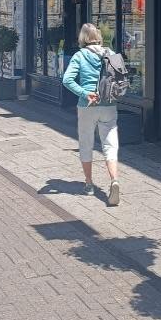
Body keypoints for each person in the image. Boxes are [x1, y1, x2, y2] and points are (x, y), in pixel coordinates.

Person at [61, 23, 122, 206]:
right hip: (109, 103)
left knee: (86, 143)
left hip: (87, 105)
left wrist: (83, 93)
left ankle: (89, 184)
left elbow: (67, 80)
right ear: (98, 36)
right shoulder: (109, 52)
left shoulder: (79, 55)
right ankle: (114, 180)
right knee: (110, 144)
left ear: (83, 38)